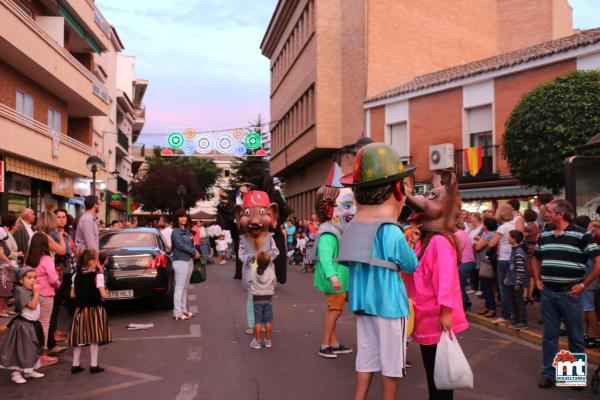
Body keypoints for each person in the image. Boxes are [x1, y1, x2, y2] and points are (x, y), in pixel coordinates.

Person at [337, 143, 418, 400]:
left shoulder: (351, 229)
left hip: (364, 306)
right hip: (390, 307)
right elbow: (410, 265)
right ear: (396, 189)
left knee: (366, 359)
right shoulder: (391, 231)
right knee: (392, 364)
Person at [405, 172, 468, 400]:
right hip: (424, 314)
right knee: (432, 371)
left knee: (439, 374)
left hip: (435, 317)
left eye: (433, 197)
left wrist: (445, 313)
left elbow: (446, 280)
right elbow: (412, 271)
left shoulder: (440, 241)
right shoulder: (424, 239)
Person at [533, 199, 600, 389]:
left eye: (550, 212)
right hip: (548, 293)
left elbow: (598, 262)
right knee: (549, 336)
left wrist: (583, 286)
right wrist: (538, 281)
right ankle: (549, 374)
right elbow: (536, 259)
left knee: (575, 336)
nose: (546, 215)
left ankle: (573, 377)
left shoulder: (581, 235)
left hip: (570, 294)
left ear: (560, 214)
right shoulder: (545, 234)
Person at [313, 164, 357, 359]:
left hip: (340, 278)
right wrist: (332, 277)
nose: (353, 211)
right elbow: (324, 258)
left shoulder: (337, 233)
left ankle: (333, 342)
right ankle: (325, 344)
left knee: (335, 310)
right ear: (330, 209)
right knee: (335, 311)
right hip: (335, 280)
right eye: (347, 205)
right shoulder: (328, 235)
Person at [69, 249, 111, 374]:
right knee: (94, 337)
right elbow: (103, 294)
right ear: (93, 262)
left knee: (79, 338)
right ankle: (94, 365)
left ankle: (75, 364)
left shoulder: (76, 276)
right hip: (94, 309)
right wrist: (106, 293)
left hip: (80, 310)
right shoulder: (98, 276)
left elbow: (72, 295)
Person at [0, 267, 45, 384]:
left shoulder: (29, 291)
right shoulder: (20, 291)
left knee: (31, 349)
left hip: (32, 324)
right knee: (20, 350)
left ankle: (29, 371)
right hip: (23, 326)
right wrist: (36, 293)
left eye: (35, 277)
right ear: (21, 280)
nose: (33, 280)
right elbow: (32, 306)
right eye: (29, 278)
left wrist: (35, 292)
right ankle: (15, 373)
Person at [27, 232, 60, 366]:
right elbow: (53, 279)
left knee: (33, 324)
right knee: (44, 324)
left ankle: (31, 353)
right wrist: (58, 284)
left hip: (31, 294)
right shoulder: (46, 259)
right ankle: (42, 354)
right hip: (46, 294)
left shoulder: (28, 259)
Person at [47, 209, 74, 354]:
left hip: (67, 271)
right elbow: (62, 253)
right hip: (58, 273)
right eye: (58, 217)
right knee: (56, 304)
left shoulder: (66, 234)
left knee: (58, 303)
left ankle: (55, 330)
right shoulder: (53, 235)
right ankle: (52, 333)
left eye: (64, 217)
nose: (62, 220)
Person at [487, 204, 516, 325]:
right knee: (511, 287)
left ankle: (505, 315)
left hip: (503, 259)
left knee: (503, 288)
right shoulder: (512, 225)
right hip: (512, 258)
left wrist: (485, 240)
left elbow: (492, 243)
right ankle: (514, 313)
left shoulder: (502, 228)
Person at [170, 210, 200, 321]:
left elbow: (192, 244)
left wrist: (195, 251)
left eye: (185, 217)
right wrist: (194, 252)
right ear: (177, 219)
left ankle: (183, 309)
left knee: (185, 287)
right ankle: (177, 312)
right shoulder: (175, 232)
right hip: (180, 261)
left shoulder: (187, 231)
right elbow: (180, 245)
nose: (183, 219)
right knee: (179, 287)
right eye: (181, 217)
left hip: (189, 261)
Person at [247, 251, 277, 349]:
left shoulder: (253, 271)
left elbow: (249, 282)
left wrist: (254, 288)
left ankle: (257, 341)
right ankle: (268, 341)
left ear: (257, 261)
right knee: (268, 320)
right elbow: (274, 283)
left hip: (257, 299)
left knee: (258, 321)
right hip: (268, 298)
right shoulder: (271, 272)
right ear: (268, 262)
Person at [473, 218, 498, 317]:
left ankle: (491, 308)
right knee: (485, 287)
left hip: (486, 264)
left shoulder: (489, 235)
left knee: (487, 287)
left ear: (486, 226)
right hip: (483, 263)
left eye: (484, 224)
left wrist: (476, 244)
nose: (482, 226)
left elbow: (477, 247)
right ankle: (487, 306)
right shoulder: (487, 235)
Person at [506, 230, 528, 329]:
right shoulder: (514, 250)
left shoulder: (518, 252)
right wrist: (507, 277)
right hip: (512, 280)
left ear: (514, 239)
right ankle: (516, 319)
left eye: (509, 237)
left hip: (516, 282)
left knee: (519, 302)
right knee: (513, 301)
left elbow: (520, 268)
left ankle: (522, 321)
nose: (508, 238)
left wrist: (518, 282)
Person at [456, 219, 476, 310]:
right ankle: (467, 302)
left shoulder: (457, 235)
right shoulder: (464, 233)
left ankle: (462, 307)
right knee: (462, 285)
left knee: (460, 286)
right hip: (470, 261)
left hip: (464, 262)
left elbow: (457, 251)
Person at [523, 209, 539, 303]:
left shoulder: (528, 227)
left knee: (528, 273)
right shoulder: (535, 225)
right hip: (534, 248)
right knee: (532, 274)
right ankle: (531, 294)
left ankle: (527, 295)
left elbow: (522, 237)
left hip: (528, 249)